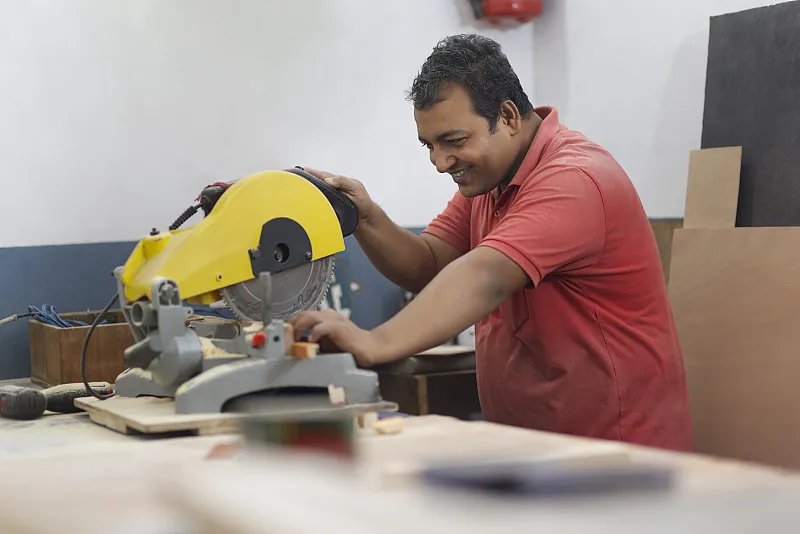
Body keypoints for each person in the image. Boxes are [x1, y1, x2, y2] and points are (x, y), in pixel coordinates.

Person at [289, 34, 692, 451]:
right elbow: (429, 264)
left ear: (508, 116)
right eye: (429, 145)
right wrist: (364, 217)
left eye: (454, 141)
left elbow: (486, 275)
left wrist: (375, 343)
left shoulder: (574, 179)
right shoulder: (490, 181)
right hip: (538, 448)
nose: (440, 162)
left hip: (617, 453)